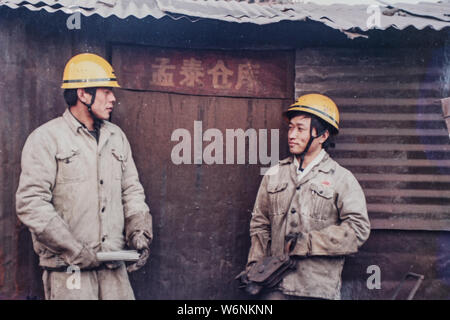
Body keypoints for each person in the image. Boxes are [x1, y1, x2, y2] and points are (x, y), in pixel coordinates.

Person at [15, 53, 153, 300]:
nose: (113, 98)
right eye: (106, 91)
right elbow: (31, 204)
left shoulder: (116, 137)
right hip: (69, 270)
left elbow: (131, 190)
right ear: (82, 94)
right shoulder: (47, 138)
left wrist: (139, 231)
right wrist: (74, 249)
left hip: (113, 268)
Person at [245, 93, 370, 300]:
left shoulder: (342, 179)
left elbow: (358, 230)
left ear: (322, 136)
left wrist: (309, 243)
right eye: (291, 127)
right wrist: (254, 269)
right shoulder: (274, 174)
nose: (292, 135)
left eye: (300, 129)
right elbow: (260, 224)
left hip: (317, 290)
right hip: (274, 287)